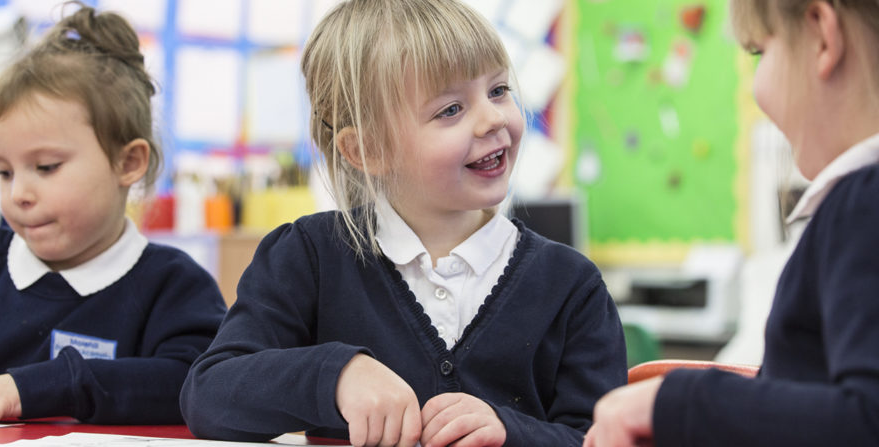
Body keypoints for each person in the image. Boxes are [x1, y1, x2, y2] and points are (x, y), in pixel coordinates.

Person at [180, 1, 627, 446]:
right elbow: (210, 394)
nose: (493, 119)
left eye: (498, 90)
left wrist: (512, 433)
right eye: (450, 110)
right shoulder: (309, 257)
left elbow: (602, 437)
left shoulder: (571, 286)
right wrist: (337, 376)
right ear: (367, 151)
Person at [0, 3, 226, 426]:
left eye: (46, 167)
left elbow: (198, 383)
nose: (19, 193)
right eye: (4, 170)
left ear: (128, 163)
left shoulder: (173, 287)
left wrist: (42, 386)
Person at [583, 0, 879, 446]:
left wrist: (672, 402)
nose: (755, 89)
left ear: (821, 35)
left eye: (759, 52)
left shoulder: (862, 201)